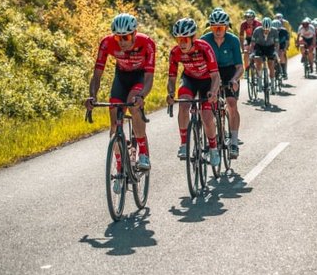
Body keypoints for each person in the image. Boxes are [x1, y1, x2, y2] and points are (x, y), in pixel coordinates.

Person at [86, 13, 156, 193]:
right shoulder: (107, 43)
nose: (122, 41)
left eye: (125, 37)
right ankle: (119, 169)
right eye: (118, 37)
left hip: (139, 78)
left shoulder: (147, 43)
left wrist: (141, 96)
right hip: (121, 77)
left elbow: (149, 78)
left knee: (133, 104)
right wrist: (92, 96)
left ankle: (143, 153)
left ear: (134, 33)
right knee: (114, 120)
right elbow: (97, 75)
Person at [166, 18, 221, 166]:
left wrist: (214, 92)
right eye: (179, 39)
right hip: (189, 79)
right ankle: (184, 144)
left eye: (185, 39)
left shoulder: (204, 48)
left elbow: (216, 76)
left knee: (207, 116)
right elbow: (172, 78)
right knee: (183, 105)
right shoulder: (175, 52)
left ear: (193, 38)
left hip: (207, 81)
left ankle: (213, 149)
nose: (182, 43)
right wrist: (170, 93)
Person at [201, 8, 243, 159]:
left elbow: (240, 67)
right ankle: (211, 136)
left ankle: (233, 142)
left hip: (229, 71)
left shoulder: (233, 40)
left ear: (226, 27)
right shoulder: (204, 40)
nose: (217, 31)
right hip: (211, 72)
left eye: (220, 27)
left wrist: (234, 79)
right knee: (207, 106)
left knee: (231, 104)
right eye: (214, 27)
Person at [250, 17, 280, 91]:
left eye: (268, 30)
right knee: (258, 60)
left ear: (271, 28)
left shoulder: (274, 31)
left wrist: (276, 52)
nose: (266, 31)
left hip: (270, 47)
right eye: (264, 30)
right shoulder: (257, 30)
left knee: (271, 64)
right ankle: (260, 81)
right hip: (260, 46)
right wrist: (252, 52)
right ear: (262, 27)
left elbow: (277, 44)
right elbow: (253, 43)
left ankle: (272, 85)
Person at [238, 9, 261, 76]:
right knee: (246, 53)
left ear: (253, 18)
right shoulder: (243, 24)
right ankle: (247, 69)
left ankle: (258, 68)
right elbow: (241, 37)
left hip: (257, 39)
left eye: (250, 18)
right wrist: (242, 49)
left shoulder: (258, 24)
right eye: (247, 18)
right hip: (248, 39)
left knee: (256, 55)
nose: (248, 20)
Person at [273, 14, 290, 78]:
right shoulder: (270, 31)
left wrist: (285, 48)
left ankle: (283, 71)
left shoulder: (284, 31)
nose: (277, 31)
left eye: (278, 30)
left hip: (282, 44)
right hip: (274, 44)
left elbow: (287, 41)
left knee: (282, 54)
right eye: (275, 30)